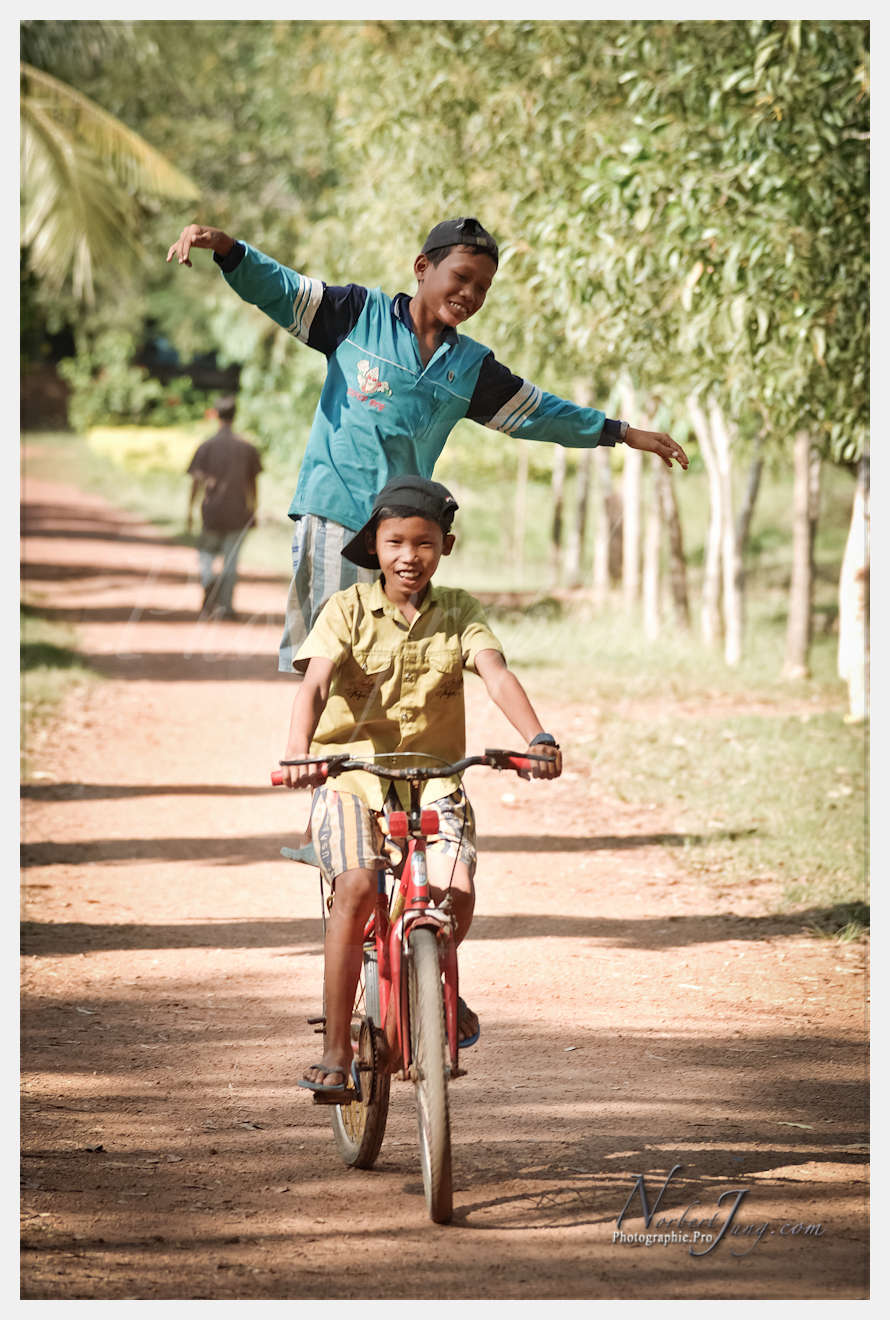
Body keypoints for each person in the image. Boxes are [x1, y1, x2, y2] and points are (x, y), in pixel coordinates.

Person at [167, 217, 689, 666]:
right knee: (327, 658)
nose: (470, 295)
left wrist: (621, 432)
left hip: (403, 535)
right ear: (423, 269)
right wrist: (228, 248)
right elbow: (282, 288)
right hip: (332, 516)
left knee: (393, 665)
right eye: (461, 278)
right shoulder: (355, 314)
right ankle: (325, 777)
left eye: (482, 288)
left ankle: (383, 780)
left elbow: (541, 413)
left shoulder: (471, 367)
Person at [277, 475, 562, 1097]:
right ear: (374, 547)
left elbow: (496, 672)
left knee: (457, 893)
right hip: (351, 778)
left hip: (434, 778)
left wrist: (538, 737)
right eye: (396, 542)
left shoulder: (460, 610)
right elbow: (315, 684)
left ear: (446, 545)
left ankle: (431, 987)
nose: (410, 556)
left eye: (425, 543)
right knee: (355, 888)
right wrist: (299, 754)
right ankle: (334, 1051)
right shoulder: (346, 611)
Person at [186, 395, 262, 620]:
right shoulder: (247, 448)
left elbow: (196, 482)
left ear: (216, 415)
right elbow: (253, 484)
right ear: (235, 416)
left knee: (206, 555)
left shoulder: (206, 446)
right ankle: (226, 607)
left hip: (212, 512)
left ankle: (209, 582)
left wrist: (189, 511)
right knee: (231, 560)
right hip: (238, 512)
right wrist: (253, 509)